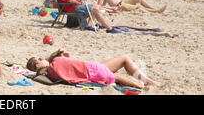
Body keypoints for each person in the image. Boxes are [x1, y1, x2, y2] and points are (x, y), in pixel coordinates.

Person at [26, 48, 160, 89]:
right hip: (93, 70)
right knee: (124, 59)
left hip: (89, 74)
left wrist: (64, 56)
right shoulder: (55, 61)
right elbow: (71, 62)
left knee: (120, 63)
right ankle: (145, 84)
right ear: (38, 64)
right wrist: (63, 55)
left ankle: (146, 81)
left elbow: (71, 68)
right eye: (40, 59)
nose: (43, 58)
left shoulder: (52, 73)